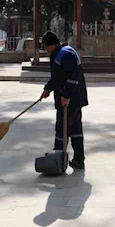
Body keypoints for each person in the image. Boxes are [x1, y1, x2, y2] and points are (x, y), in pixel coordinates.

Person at [39, 31, 88, 170]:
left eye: (46, 47)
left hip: (71, 99)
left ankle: (57, 160)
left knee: (62, 129)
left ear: (52, 44)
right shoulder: (60, 54)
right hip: (73, 98)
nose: (46, 50)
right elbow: (57, 77)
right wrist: (48, 89)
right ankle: (78, 160)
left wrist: (66, 96)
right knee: (75, 129)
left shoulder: (66, 54)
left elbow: (73, 78)